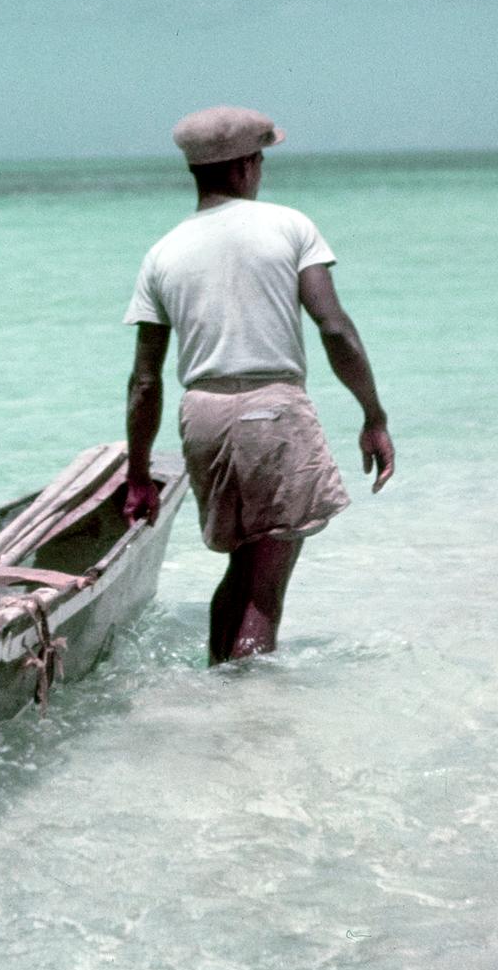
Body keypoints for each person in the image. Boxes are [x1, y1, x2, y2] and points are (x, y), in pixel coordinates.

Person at [120, 105, 395, 664]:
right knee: (265, 590)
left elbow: (145, 382)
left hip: (202, 417)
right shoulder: (289, 225)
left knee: (241, 567)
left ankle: (216, 683)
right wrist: (373, 415)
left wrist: (139, 474)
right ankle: (247, 718)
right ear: (247, 166)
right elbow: (335, 328)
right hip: (272, 410)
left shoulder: (162, 253)